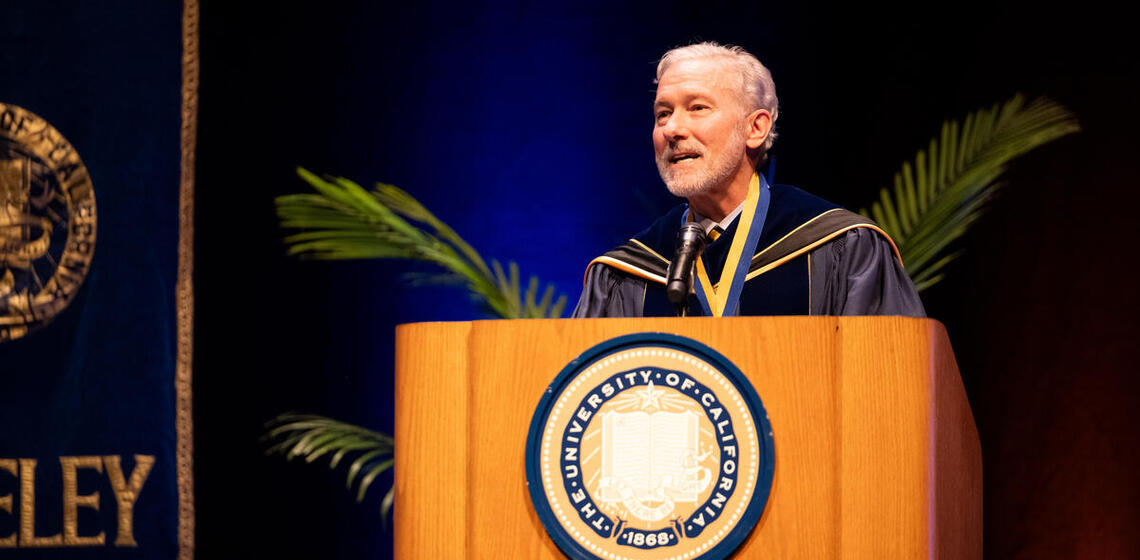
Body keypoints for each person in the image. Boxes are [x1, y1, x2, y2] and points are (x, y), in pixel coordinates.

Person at [572, 42, 924, 318]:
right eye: (663, 113)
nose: (672, 129)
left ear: (755, 128)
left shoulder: (840, 248)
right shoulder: (627, 272)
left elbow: (887, 385)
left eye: (698, 108)